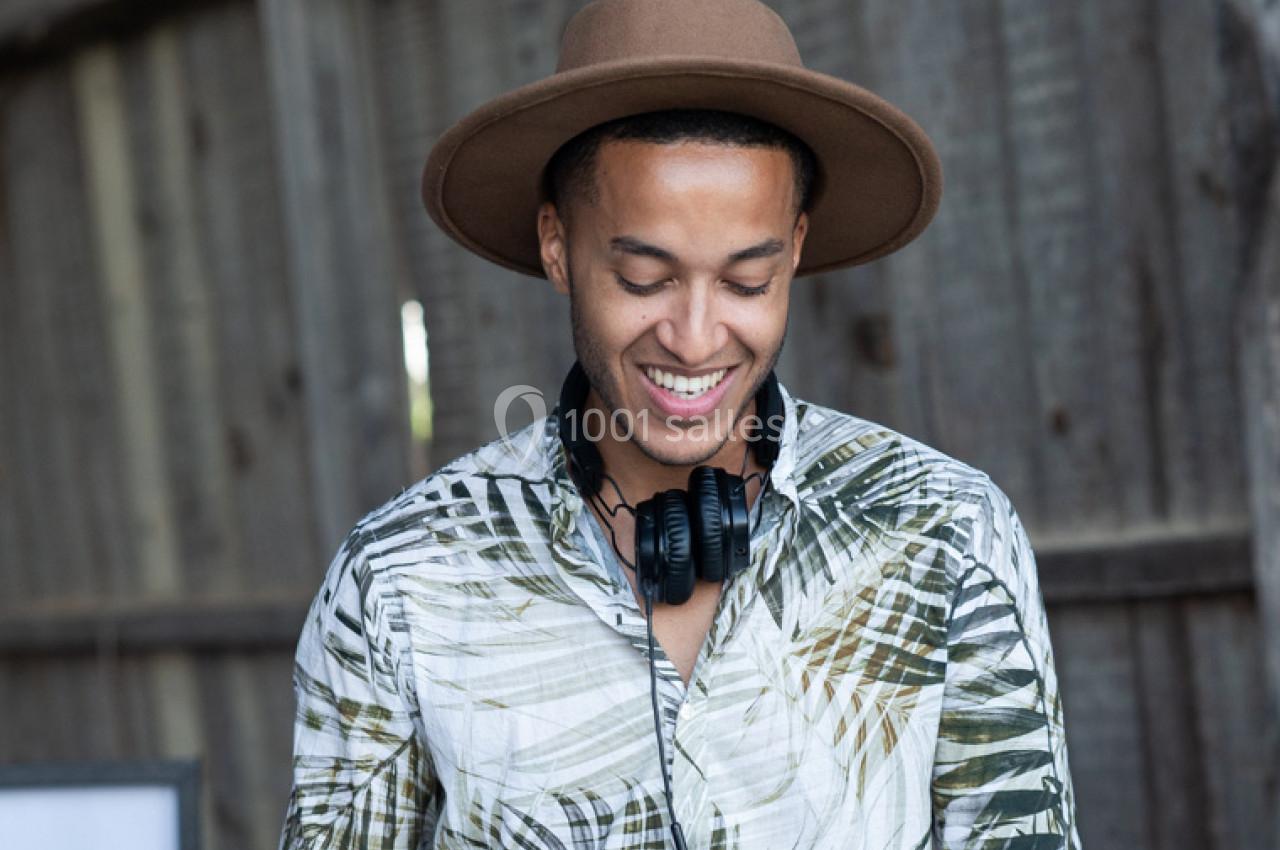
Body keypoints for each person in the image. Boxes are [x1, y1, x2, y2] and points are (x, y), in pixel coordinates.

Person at [278, 0, 1083, 848]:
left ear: (796, 249)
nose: (696, 339)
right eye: (641, 277)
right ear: (558, 246)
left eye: (745, 283)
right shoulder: (399, 582)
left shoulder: (948, 532)